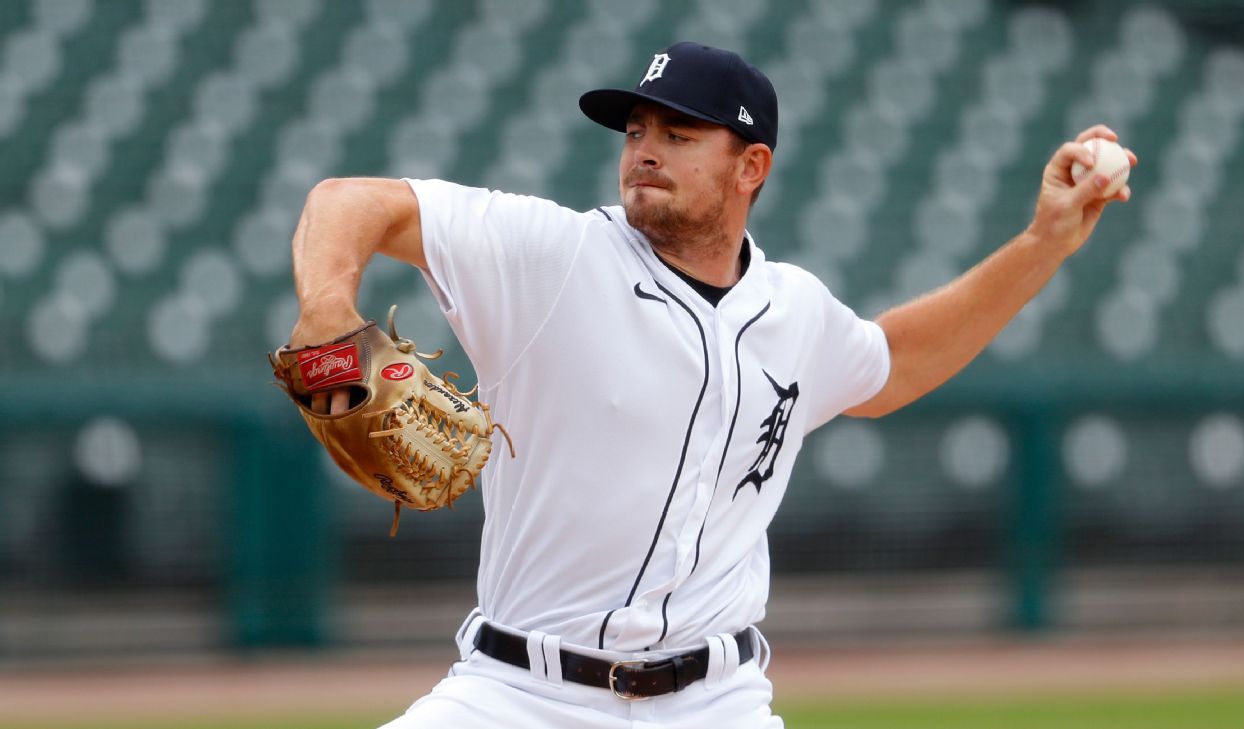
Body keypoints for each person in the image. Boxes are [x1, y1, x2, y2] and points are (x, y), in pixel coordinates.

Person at [287, 41, 1134, 729]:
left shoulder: (794, 310)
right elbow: (350, 201)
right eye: (635, 130)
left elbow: (895, 362)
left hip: (715, 700)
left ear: (750, 165)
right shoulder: (555, 255)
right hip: (519, 694)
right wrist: (327, 306)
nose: (645, 148)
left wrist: (1044, 244)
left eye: (679, 132)